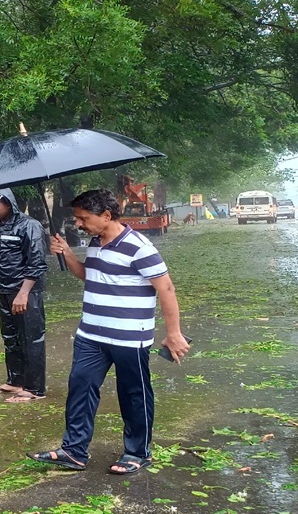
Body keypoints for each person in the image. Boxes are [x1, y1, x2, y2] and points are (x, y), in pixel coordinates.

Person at [28, 189, 189, 475]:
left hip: (129, 336)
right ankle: (74, 451)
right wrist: (66, 253)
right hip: (90, 335)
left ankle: (138, 452)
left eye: (83, 218)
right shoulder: (95, 241)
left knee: (133, 393)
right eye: (77, 218)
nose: (79, 224)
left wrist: (173, 333)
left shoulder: (139, 247)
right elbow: (91, 275)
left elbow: (165, 288)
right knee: (80, 387)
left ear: (106, 215)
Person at [0, 188, 48, 403]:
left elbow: (37, 263)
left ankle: (35, 389)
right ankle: (15, 381)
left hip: (26, 292)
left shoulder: (29, 226)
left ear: (9, 203)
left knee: (31, 339)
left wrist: (23, 293)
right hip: (2, 290)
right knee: (10, 338)